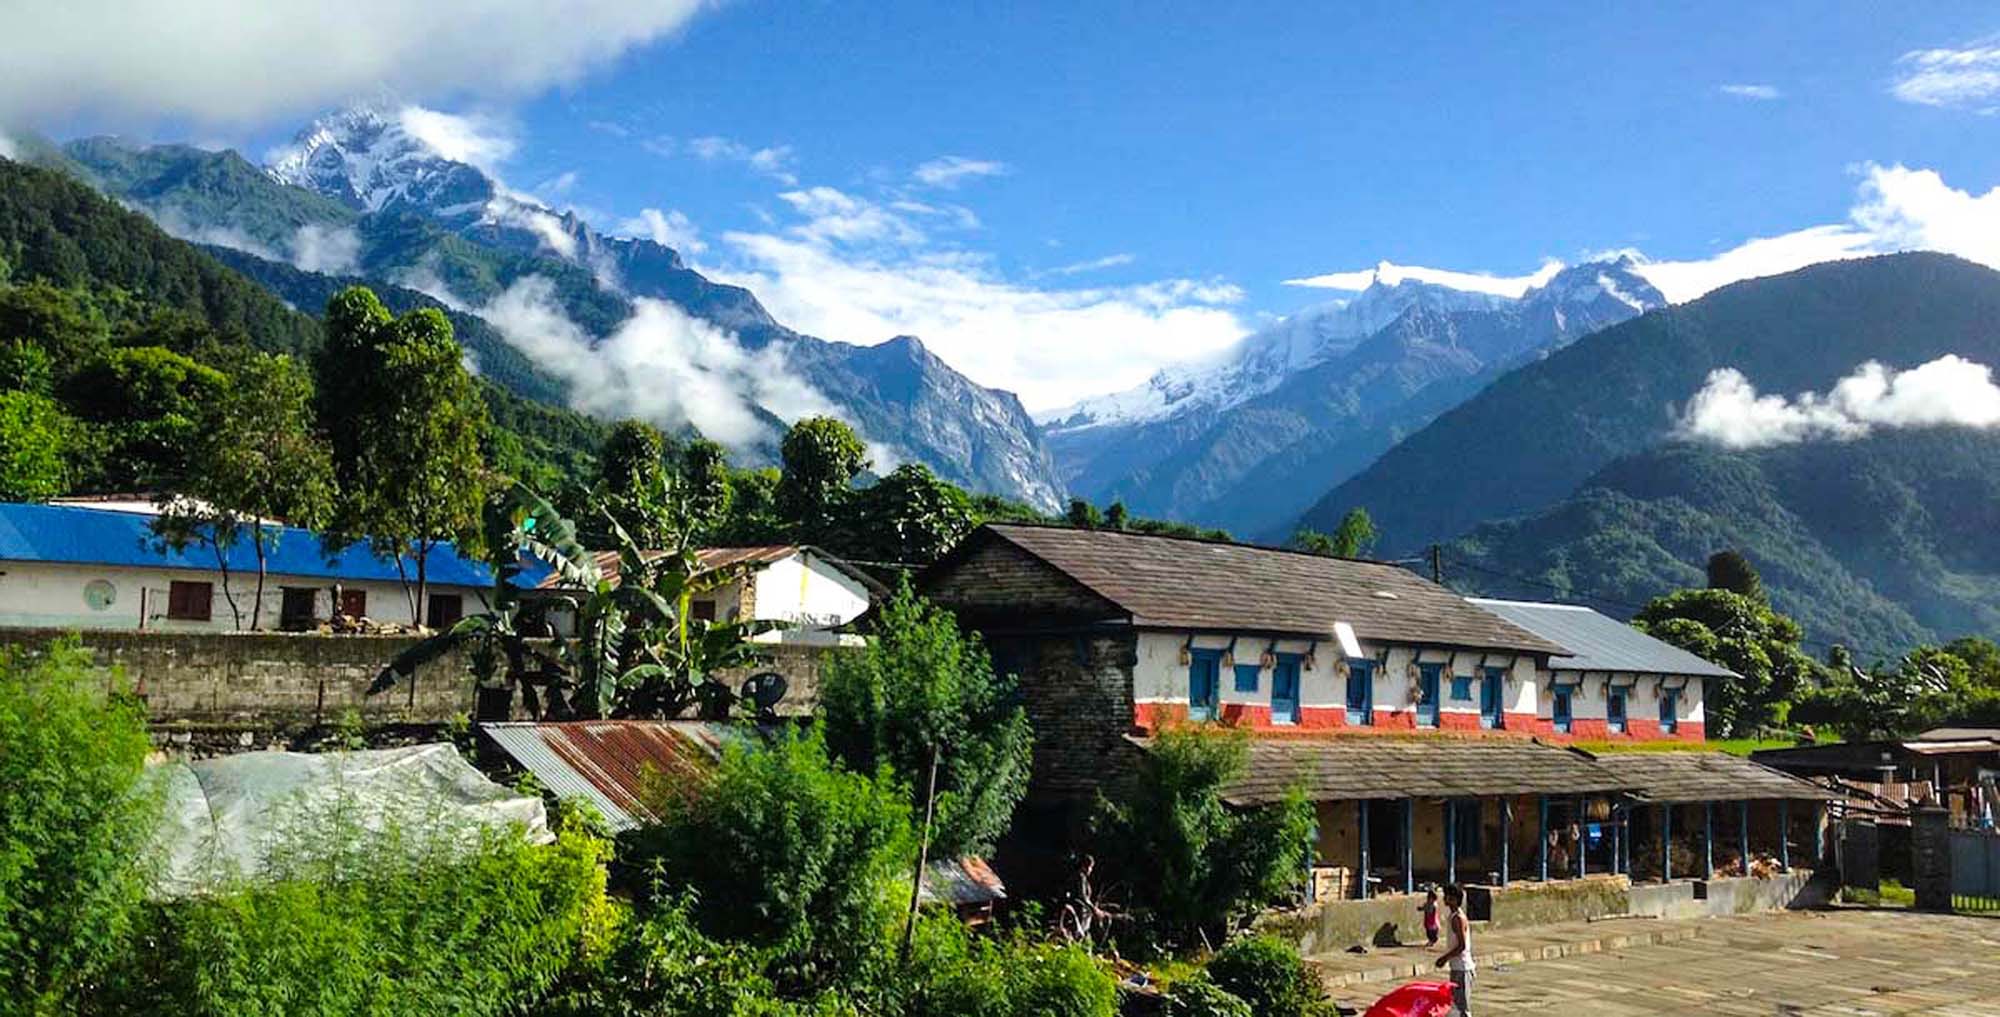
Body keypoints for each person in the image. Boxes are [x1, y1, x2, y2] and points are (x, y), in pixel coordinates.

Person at [1433, 883, 1474, 1016]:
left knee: (1462, 1009)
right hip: (1457, 967)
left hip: (1462, 968)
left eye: (1447, 896)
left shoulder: (1458, 918)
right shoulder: (1453, 916)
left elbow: (1461, 946)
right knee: (1455, 1005)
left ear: (1454, 899)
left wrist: (1444, 958)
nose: (1445, 899)